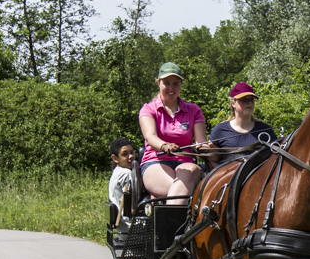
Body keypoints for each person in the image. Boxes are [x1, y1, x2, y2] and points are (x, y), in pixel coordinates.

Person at [138, 62, 208, 204]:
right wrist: (165, 146)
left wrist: (207, 148)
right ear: (158, 83)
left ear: (181, 85)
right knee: (180, 193)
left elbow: (201, 143)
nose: (171, 88)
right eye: (166, 83)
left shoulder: (194, 110)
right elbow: (150, 136)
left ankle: (163, 208)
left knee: (188, 176)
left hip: (185, 163)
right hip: (155, 162)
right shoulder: (148, 109)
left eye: (175, 84)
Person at [208, 82, 276, 168]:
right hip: (229, 179)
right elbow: (211, 161)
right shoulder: (220, 130)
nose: (249, 103)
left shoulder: (266, 130)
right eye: (244, 99)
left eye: (251, 99)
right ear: (233, 103)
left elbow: (275, 160)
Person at [108, 137, 135, 223]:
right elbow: (131, 204)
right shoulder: (126, 173)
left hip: (121, 225)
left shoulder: (116, 172)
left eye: (131, 152)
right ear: (115, 158)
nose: (131, 156)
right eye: (125, 154)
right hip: (129, 225)